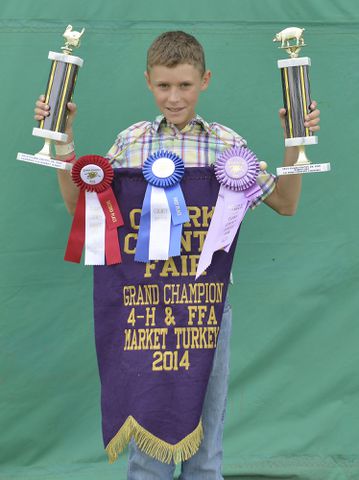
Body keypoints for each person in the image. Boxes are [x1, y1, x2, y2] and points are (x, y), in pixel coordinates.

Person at [34, 31, 320, 480]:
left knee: (205, 448)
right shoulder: (130, 142)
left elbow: (285, 202)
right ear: (148, 81)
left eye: (185, 85)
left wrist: (294, 140)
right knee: (148, 450)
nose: (174, 97)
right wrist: (63, 139)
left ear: (205, 80)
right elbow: (80, 207)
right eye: (164, 85)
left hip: (207, 310)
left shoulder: (228, 145)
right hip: (145, 312)